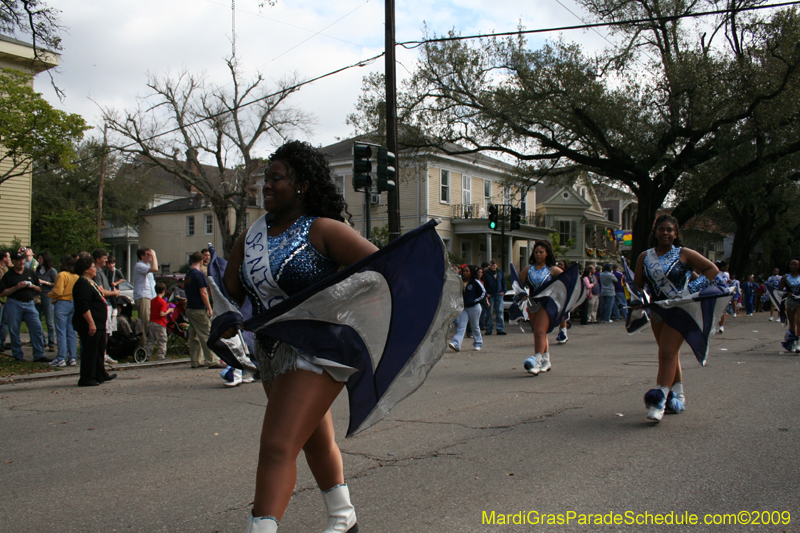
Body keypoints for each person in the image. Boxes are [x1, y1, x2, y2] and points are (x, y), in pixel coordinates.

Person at [223, 140, 379, 533]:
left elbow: (381, 275)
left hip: (319, 351)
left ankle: (262, 528)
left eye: (276, 179)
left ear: (303, 185)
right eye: (264, 180)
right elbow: (232, 292)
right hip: (271, 352)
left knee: (277, 445)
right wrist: (224, 311)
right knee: (312, 439)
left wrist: (335, 306)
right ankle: (344, 518)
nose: (267, 187)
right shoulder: (251, 237)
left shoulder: (324, 230)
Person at [633, 214, 720, 422]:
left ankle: (659, 400)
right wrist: (639, 299)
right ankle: (678, 394)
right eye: (662, 229)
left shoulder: (684, 254)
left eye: (669, 230)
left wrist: (690, 291)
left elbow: (712, 270)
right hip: (657, 311)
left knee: (666, 352)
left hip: (680, 308)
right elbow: (637, 283)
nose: (665, 233)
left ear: (675, 234)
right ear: (655, 232)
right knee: (670, 354)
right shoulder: (644, 257)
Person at [72, 254, 116, 387]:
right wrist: (91, 323)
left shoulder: (91, 282)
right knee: (90, 351)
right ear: (86, 269)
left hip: (100, 323)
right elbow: (83, 306)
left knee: (99, 349)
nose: (94, 269)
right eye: (92, 267)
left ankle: (100, 374)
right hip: (90, 324)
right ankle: (87, 378)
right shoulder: (81, 284)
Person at [519, 241, 563, 375]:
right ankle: (546, 360)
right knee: (540, 333)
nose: (538, 255)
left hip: (547, 304)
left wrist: (558, 298)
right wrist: (522, 296)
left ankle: (536, 361)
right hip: (533, 303)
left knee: (539, 331)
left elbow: (566, 283)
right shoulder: (528, 269)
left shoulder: (553, 270)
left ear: (547, 253)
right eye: (536, 252)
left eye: (541, 252)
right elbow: (519, 285)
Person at [0, 251, 49, 362]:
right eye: (18, 260)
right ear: (13, 261)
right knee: (14, 329)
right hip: (14, 303)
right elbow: (2, 292)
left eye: (22, 260)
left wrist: (31, 286)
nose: (21, 262)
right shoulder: (9, 275)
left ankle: (39, 354)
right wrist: (16, 288)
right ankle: (18, 355)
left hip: (29, 303)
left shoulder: (30, 272)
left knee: (36, 328)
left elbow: (40, 289)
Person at [184, 251, 225, 369]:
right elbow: (203, 292)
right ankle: (212, 359)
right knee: (206, 333)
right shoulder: (199, 275)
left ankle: (196, 360)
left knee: (194, 336)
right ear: (201, 261)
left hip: (190, 307)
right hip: (199, 308)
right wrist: (209, 307)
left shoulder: (188, 275)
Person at [48, 255, 79, 367]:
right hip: (73, 303)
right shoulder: (76, 276)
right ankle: (72, 357)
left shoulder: (61, 275)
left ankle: (61, 358)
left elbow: (58, 291)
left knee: (61, 331)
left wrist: (49, 294)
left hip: (62, 303)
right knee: (71, 331)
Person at [448, 264, 486, 352]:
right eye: (464, 271)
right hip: (463, 308)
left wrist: (474, 301)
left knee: (474, 325)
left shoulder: (475, 282)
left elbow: (483, 293)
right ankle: (456, 343)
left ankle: (478, 343)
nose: (465, 273)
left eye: (467, 271)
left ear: (471, 272)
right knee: (461, 326)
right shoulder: (460, 281)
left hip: (474, 307)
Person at [93, 249, 121, 364]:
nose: (106, 260)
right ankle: (100, 355)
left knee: (107, 331)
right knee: (103, 331)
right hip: (103, 304)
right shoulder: (96, 272)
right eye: (104, 258)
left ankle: (104, 354)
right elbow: (101, 291)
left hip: (109, 304)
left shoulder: (102, 271)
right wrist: (114, 293)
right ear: (98, 259)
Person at [133, 248, 158, 347]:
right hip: (143, 297)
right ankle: (143, 345)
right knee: (144, 322)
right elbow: (155, 268)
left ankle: (149, 344)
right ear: (142, 256)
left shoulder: (147, 266)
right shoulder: (139, 265)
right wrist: (155, 255)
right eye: (148, 254)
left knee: (151, 321)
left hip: (150, 296)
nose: (151, 255)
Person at [36, 252, 58, 352]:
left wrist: (45, 282)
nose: (39, 260)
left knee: (49, 321)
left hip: (47, 295)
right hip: (38, 296)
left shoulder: (52, 271)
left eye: (40, 258)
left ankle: (51, 342)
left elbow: (56, 284)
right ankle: (42, 341)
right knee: (37, 319)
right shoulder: (37, 270)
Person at [779, 259, 800, 352]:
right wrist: (787, 294)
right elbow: (780, 291)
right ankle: (792, 342)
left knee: (799, 321)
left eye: (795, 265)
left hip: (799, 300)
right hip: (790, 301)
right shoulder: (785, 277)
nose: (793, 266)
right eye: (791, 264)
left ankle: (799, 343)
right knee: (792, 323)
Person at [144, 283, 169, 361]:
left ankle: (147, 355)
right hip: (160, 323)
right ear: (163, 291)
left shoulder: (153, 301)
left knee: (151, 340)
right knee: (162, 340)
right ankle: (161, 355)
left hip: (152, 322)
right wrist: (169, 311)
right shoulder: (162, 302)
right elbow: (162, 313)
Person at [482, 259, 507, 335]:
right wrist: (486, 293)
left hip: (499, 294)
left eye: (494, 265)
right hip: (491, 295)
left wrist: (504, 290)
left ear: (497, 265)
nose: (493, 266)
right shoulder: (486, 273)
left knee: (500, 311)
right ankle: (489, 329)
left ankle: (500, 328)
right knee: (489, 313)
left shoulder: (500, 272)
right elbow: (484, 283)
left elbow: (503, 281)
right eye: (492, 265)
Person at [0, 251, 10, 352]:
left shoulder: (6, 269)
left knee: (5, 322)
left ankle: (2, 342)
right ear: (4, 258)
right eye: (8, 257)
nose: (9, 259)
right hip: (0, 299)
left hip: (6, 299)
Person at [717, 262, 731, 332]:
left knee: (723, 310)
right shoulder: (716, 272)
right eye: (726, 267)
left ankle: (721, 326)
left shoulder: (726, 274)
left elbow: (726, 282)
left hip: (724, 292)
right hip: (716, 292)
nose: (727, 269)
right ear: (722, 267)